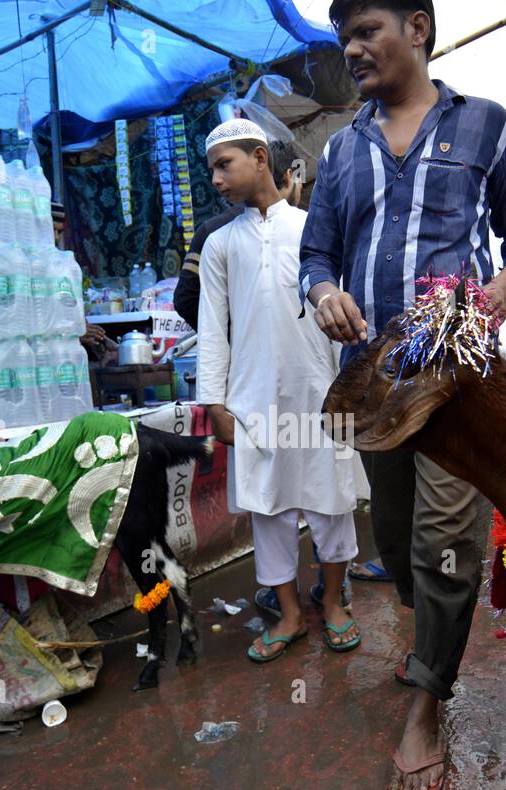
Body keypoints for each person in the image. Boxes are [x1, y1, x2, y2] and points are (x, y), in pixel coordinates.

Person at [300, 0, 506, 790]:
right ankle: (425, 639)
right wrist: (326, 289)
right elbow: (317, 251)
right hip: (376, 386)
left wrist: (492, 295)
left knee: (448, 535)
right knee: (403, 538)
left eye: (367, 29)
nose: (353, 48)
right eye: (344, 36)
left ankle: (427, 702)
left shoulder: (488, 126)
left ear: (419, 28)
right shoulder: (341, 149)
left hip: (460, 378)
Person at [196, 119, 362, 662]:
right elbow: (212, 328)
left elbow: (344, 316)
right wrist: (214, 402)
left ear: (261, 157)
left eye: (226, 164)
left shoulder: (315, 230)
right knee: (268, 511)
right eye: (212, 168)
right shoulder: (218, 244)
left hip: (320, 391)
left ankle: (334, 603)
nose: (217, 179)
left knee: (331, 499)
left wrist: (352, 392)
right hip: (253, 399)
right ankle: (290, 614)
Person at [174, 139, 305, 329]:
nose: (216, 180)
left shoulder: (210, 229)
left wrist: (229, 334)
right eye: (300, 183)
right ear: (288, 176)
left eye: (224, 166)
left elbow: (185, 300)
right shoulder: (310, 228)